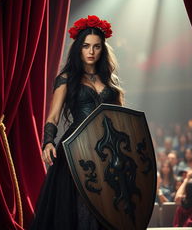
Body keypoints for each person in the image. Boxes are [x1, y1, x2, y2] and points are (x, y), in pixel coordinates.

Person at [30, 15, 124, 230]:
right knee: (81, 206)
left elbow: (121, 119)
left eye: (96, 47)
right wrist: (48, 142)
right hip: (76, 149)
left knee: (107, 206)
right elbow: (53, 116)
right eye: (86, 46)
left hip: (107, 151)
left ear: (103, 49)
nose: (91, 51)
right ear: (78, 48)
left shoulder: (111, 81)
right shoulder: (67, 78)